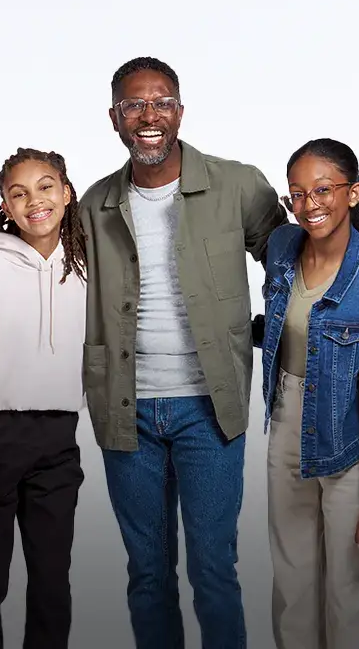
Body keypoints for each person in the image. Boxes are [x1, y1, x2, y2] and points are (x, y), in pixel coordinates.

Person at [79, 57, 288, 648]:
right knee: (147, 575)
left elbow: (292, 260)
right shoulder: (93, 204)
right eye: (135, 105)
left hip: (209, 407)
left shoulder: (237, 183)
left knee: (214, 571)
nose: (150, 116)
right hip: (128, 410)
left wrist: (262, 329)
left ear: (180, 111)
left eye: (161, 102)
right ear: (115, 118)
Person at [258, 139, 359, 649]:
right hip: (284, 425)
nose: (309, 205)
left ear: (353, 193)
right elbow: (285, 325)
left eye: (323, 190)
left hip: (349, 443)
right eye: (297, 194)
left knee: (352, 595)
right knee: (292, 587)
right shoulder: (281, 248)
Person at [0, 149, 90, 649]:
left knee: (53, 584)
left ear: (67, 193)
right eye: (18, 193)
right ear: (5, 205)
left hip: (59, 441)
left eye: (46, 187)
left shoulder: (87, 271)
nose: (35, 201)